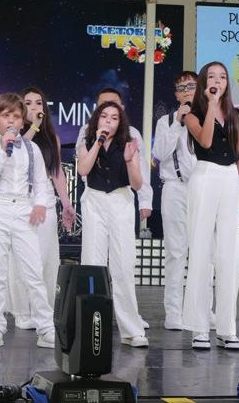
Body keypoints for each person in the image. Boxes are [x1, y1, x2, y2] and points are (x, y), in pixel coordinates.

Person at [182, 61, 239, 350]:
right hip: (204, 177)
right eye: (212, 77)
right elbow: (205, 142)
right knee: (201, 251)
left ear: (228, 83)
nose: (217, 81)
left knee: (230, 256)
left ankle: (227, 328)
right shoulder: (192, 115)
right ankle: (199, 327)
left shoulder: (237, 115)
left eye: (222, 77)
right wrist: (210, 104)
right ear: (204, 83)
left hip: (230, 179)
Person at [0, 93, 56, 349]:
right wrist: (3, 150)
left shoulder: (32, 149)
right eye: (5, 115)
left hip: (23, 209)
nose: (11, 121)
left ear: (23, 122)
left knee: (33, 273)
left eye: (16, 116)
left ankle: (46, 328)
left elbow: (41, 182)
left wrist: (40, 204)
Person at [75, 88, 152, 330]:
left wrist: (130, 161)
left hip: (120, 201)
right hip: (94, 201)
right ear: (97, 118)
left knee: (123, 263)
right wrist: (98, 142)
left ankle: (131, 328)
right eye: (104, 116)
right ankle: (91, 324)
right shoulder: (87, 140)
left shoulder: (129, 143)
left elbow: (137, 183)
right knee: (92, 261)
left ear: (121, 121)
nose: (108, 121)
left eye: (114, 117)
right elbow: (83, 169)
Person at [7, 87, 75, 329]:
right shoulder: (12, 134)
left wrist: (66, 203)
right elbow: (19, 150)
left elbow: (56, 172)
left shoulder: (51, 138)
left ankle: (43, 310)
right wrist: (33, 127)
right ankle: (22, 311)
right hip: (21, 198)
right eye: (28, 103)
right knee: (20, 258)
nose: (34, 107)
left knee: (46, 257)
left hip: (45, 198)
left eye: (38, 103)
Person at [152, 71, 198, 331]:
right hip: (174, 187)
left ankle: (203, 309)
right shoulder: (166, 121)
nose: (187, 91)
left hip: (202, 189)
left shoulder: (209, 118)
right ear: (176, 95)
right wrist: (178, 123)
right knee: (176, 252)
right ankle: (173, 311)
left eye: (191, 86)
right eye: (181, 88)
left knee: (204, 251)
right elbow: (159, 153)